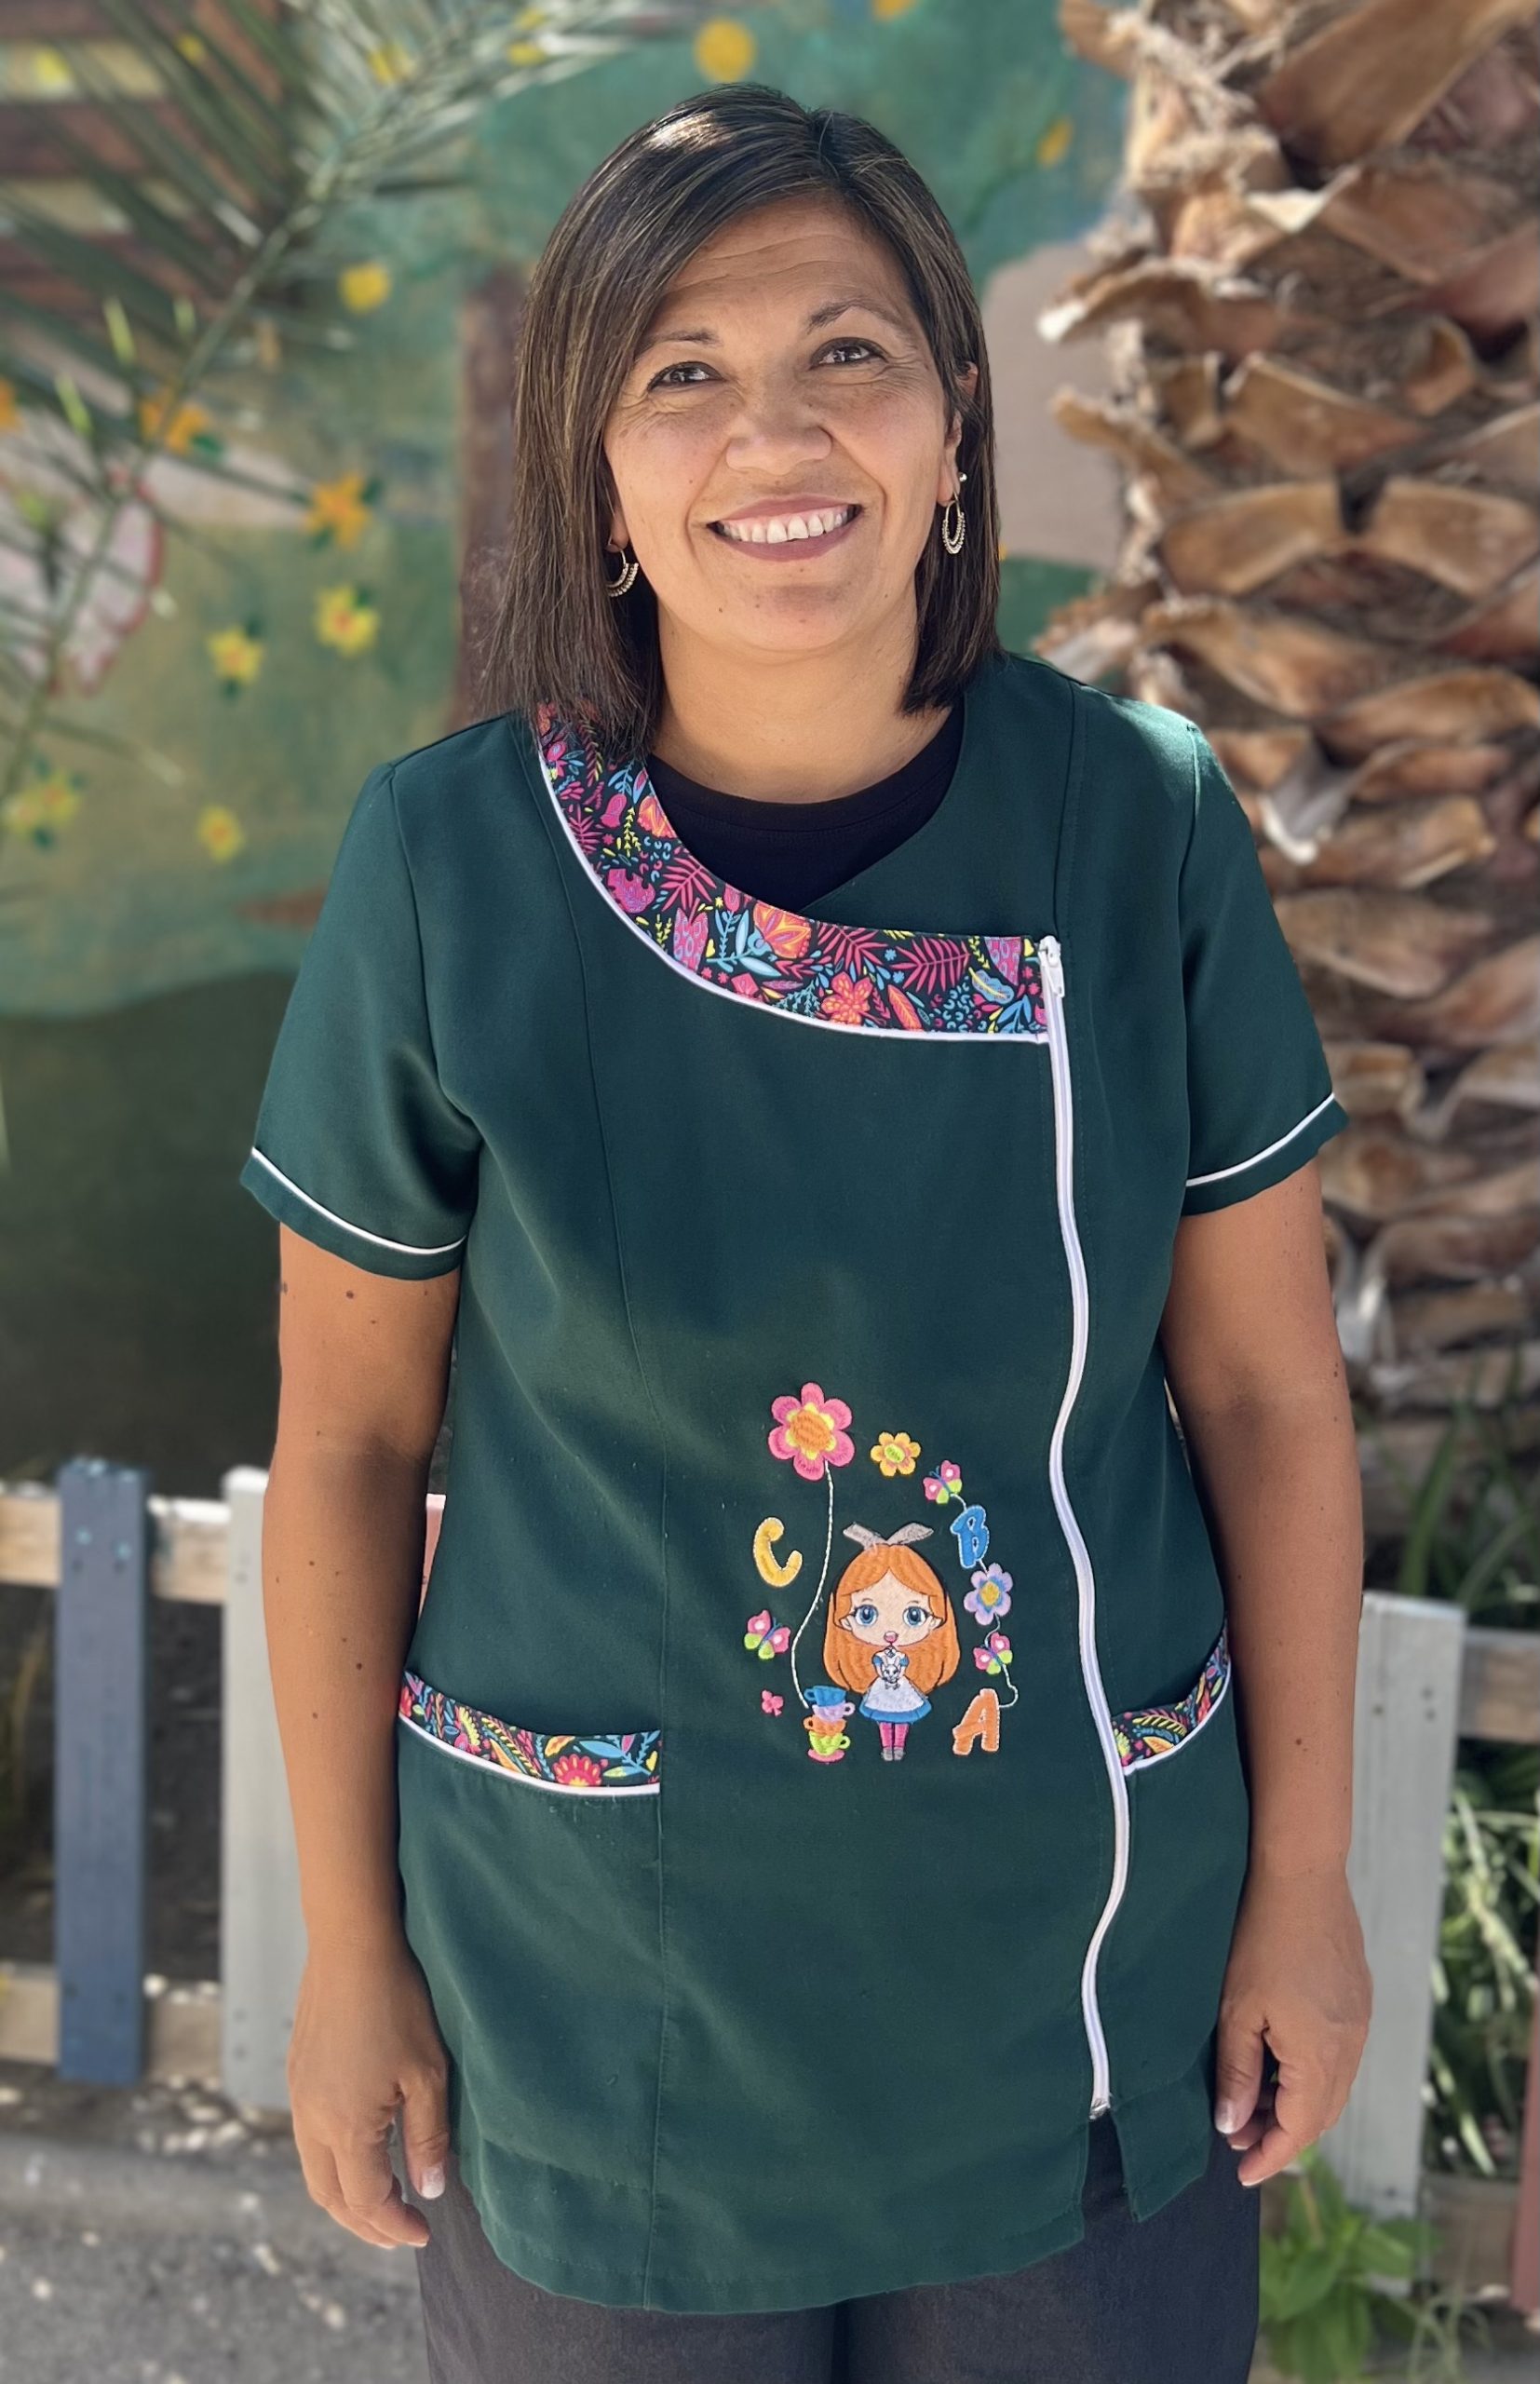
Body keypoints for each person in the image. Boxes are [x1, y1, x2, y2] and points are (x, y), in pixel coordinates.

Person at [240, 83, 1373, 2384]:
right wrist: (349, 1947)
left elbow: (1262, 1392)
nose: (776, 433)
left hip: (1073, 1994)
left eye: (845, 352)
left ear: (953, 419)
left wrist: (1298, 1877)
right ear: (597, 471)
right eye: (682, 370)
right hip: (599, 1998)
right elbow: (349, 1443)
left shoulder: (1136, 830)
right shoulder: (448, 870)